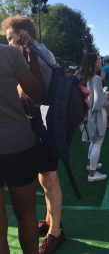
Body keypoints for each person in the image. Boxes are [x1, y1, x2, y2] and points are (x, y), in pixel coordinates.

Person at [1, 15, 65, 253]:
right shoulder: (20, 54)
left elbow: (39, 96)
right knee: (43, 179)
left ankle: (55, 231)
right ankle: (50, 221)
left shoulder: (40, 54)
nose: (8, 43)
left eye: (11, 38)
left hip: (45, 128)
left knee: (49, 177)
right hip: (30, 130)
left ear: (24, 33)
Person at [0, 42, 43, 254]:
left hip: (16, 142)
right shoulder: (8, 53)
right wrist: (31, 57)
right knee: (26, 213)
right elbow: (37, 94)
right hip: (18, 143)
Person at [78, 53, 109, 182]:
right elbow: (98, 102)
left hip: (90, 113)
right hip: (97, 114)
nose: (100, 61)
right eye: (98, 60)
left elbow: (91, 97)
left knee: (93, 140)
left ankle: (91, 165)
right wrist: (106, 97)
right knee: (97, 142)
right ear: (93, 63)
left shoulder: (85, 77)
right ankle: (92, 174)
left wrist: (102, 94)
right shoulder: (96, 78)